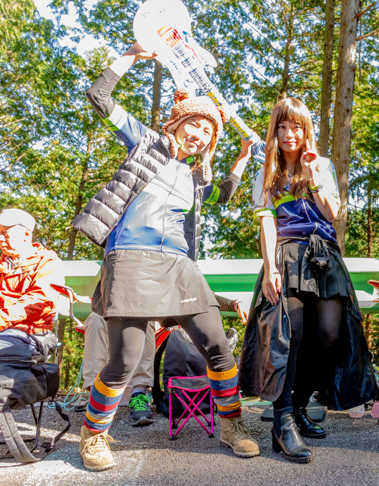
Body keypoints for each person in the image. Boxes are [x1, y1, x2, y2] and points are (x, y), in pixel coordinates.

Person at [71, 42, 257, 471]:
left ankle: (232, 425)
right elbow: (99, 97)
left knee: (217, 348)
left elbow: (222, 193)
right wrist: (132, 55)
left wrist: (243, 160)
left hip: (179, 266)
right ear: (178, 122)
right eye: (195, 125)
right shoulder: (147, 142)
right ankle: (94, 435)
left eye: (209, 132)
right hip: (130, 260)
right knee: (123, 360)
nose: (201, 135)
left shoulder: (194, 178)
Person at [239, 97, 378, 464]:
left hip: (324, 255)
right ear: (274, 131)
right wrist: (269, 268)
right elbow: (267, 221)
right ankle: (283, 422)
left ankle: (300, 405)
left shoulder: (323, 164)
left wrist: (314, 176)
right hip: (287, 255)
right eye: (282, 127)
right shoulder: (266, 170)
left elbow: (332, 213)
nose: (288, 134)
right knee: (291, 334)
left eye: (296, 127)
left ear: (306, 130)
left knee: (330, 336)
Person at [80, 296, 248, 425]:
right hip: (119, 310)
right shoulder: (126, 259)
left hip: (153, 319)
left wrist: (233, 304)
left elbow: (203, 294)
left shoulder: (169, 263)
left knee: (142, 318)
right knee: (95, 318)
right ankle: (94, 390)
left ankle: (139, 393)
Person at [0, 208, 63, 353]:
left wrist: (2, 320)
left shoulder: (47, 261)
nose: (1, 238)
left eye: (5, 233)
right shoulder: (3, 263)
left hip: (32, 333)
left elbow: (38, 301)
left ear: (26, 234)